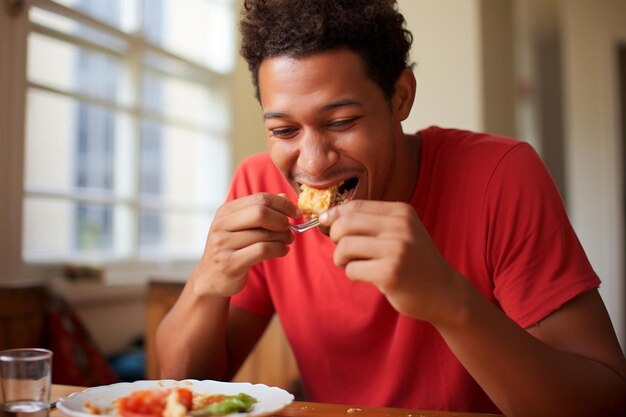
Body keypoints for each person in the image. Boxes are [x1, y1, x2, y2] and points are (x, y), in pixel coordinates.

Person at [156, 1, 626, 415]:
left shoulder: (500, 176)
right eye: (284, 131)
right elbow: (181, 388)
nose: (314, 163)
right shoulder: (257, 188)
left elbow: (605, 400)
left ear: (400, 97)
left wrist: (447, 298)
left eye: (341, 121)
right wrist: (206, 281)